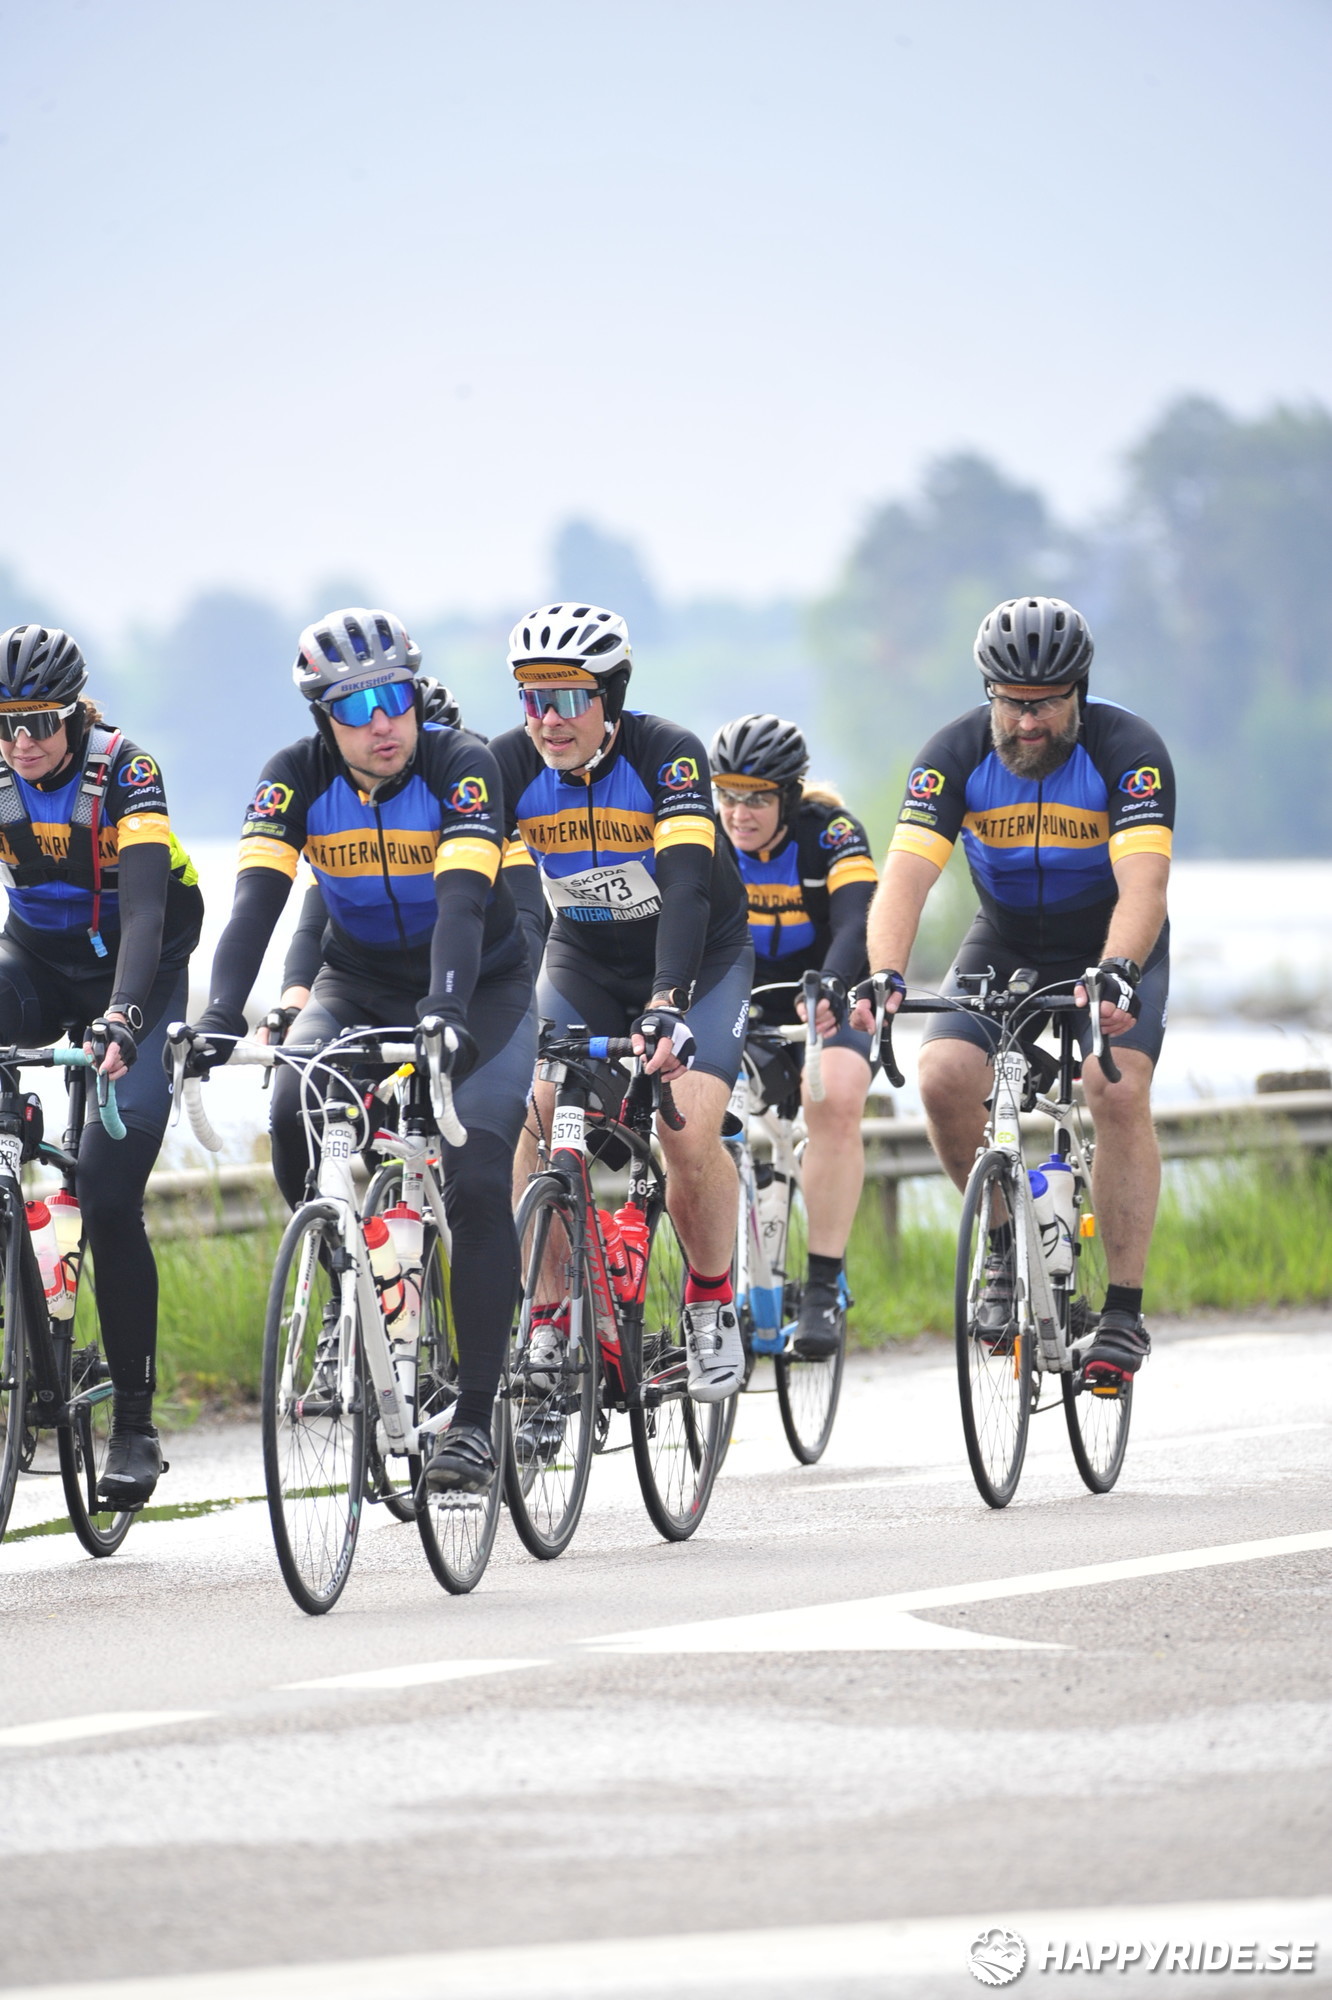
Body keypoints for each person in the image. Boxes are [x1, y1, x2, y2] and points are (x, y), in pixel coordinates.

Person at [187, 609, 535, 1492]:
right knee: (290, 1108)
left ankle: (475, 1420)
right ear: (321, 718)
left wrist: (446, 1009)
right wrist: (221, 1014)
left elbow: (463, 904)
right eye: (354, 706)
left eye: (395, 697)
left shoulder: (464, 766)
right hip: (356, 980)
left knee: (478, 1174)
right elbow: (256, 905)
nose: (382, 722)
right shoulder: (291, 779)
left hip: (478, 983)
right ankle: (352, 1296)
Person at [851, 595, 1173, 1388]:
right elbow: (904, 880)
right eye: (1012, 703)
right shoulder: (953, 755)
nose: (1027, 722)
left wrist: (1119, 970)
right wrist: (885, 973)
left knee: (1115, 1088)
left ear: (1079, 693)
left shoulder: (1129, 751)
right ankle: (1003, 1247)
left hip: (1109, 941)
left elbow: (1144, 884)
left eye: (1046, 705)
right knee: (942, 1075)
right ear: (988, 693)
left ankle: (1123, 1311)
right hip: (1006, 937)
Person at [491, 602, 754, 1401]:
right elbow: (478, 894)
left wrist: (668, 1000)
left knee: (686, 1133)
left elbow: (687, 888)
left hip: (698, 961)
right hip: (586, 960)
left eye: (568, 698)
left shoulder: (666, 755)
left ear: (611, 697)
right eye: (533, 698)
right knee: (533, 1122)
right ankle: (549, 1322)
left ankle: (710, 1305)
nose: (548, 719)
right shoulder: (506, 764)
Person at [0, 624, 204, 1504]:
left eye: (40, 721)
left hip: (141, 971)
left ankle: (135, 1428)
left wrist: (122, 1015)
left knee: (113, 1199)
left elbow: (149, 913)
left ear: (76, 714)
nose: (22, 742)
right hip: (35, 966)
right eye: (5, 724)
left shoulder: (126, 771)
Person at [709, 714, 877, 1357]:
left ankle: (823, 1286)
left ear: (788, 796)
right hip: (743, 998)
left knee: (833, 1099)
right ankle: (711, 1288)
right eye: (727, 796)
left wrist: (832, 985)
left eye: (755, 799)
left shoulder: (829, 833)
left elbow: (858, 921)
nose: (738, 813)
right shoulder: (708, 838)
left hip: (829, 994)